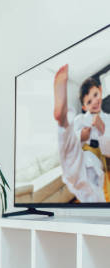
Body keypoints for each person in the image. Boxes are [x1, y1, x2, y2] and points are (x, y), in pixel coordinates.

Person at [53, 64, 110, 202]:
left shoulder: (107, 119)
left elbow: (108, 151)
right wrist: (81, 136)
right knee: (70, 148)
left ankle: (63, 124)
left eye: (96, 95)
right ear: (84, 107)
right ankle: (63, 121)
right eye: (89, 101)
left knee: (84, 185)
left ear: (101, 91)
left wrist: (102, 129)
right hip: (79, 154)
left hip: (93, 159)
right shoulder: (80, 119)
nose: (94, 101)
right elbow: (73, 139)